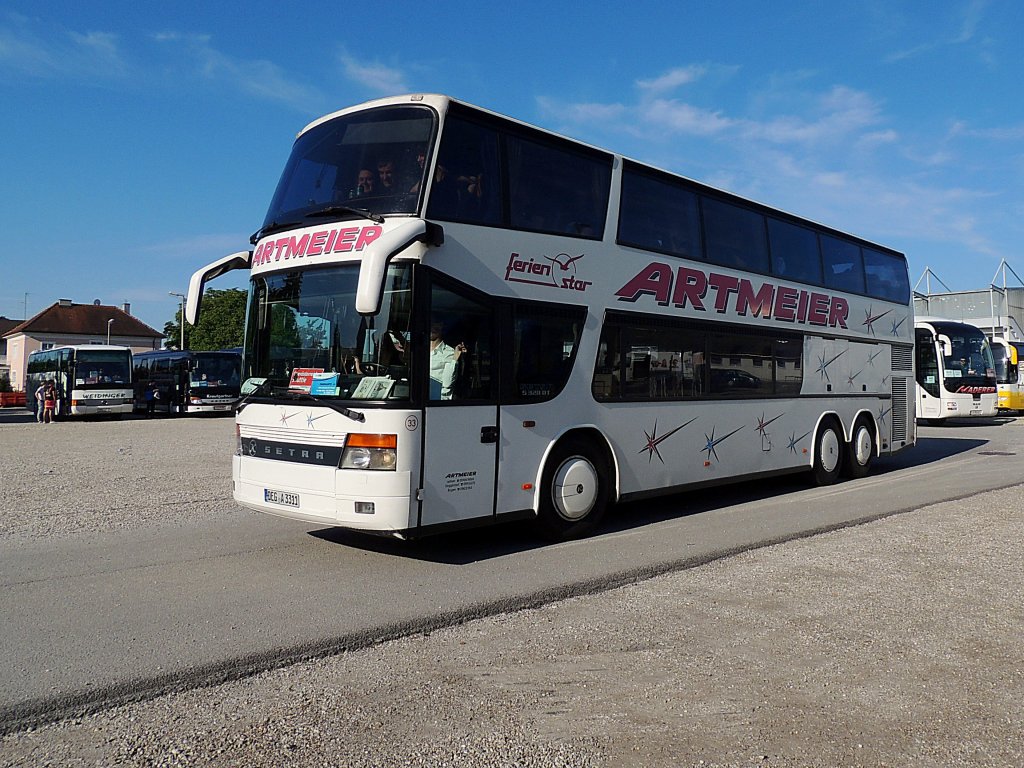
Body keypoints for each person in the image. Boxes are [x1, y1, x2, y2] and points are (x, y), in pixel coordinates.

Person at [429, 323, 466, 400]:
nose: (432, 328)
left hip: (437, 400)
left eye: (436, 325)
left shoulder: (450, 352)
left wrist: (455, 359)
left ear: (442, 328)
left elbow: (447, 383)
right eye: (431, 324)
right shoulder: (418, 350)